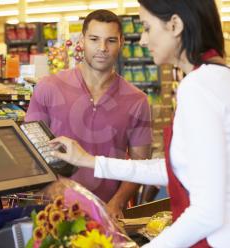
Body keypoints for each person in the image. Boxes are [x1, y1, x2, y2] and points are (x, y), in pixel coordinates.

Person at [49, 0, 230, 247]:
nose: (142, 40)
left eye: (147, 27)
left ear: (174, 25)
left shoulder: (199, 87)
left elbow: (207, 214)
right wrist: (87, 160)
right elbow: (180, 169)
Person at [25, 10, 152, 218]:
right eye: (94, 39)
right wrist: (51, 191)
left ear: (121, 42)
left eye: (111, 40)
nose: (102, 48)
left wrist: (116, 203)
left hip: (108, 214)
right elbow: (30, 152)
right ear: (82, 40)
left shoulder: (137, 100)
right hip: (54, 213)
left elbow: (140, 166)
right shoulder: (48, 87)